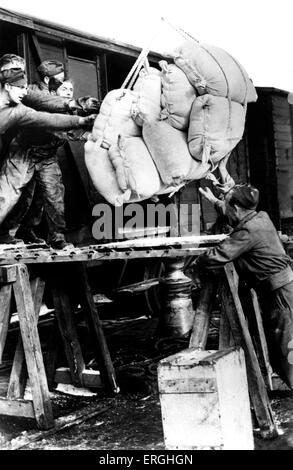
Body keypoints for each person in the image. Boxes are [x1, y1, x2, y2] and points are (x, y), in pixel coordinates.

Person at [189, 183, 293, 389]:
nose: (225, 209)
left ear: (236, 208)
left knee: (286, 348)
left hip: (280, 294)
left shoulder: (247, 231)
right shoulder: (260, 217)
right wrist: (216, 202)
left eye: (227, 206)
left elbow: (219, 255)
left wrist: (195, 264)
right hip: (280, 290)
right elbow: (231, 210)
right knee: (278, 348)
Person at [0, 67, 96, 245]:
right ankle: (5, 232)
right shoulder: (36, 100)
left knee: (53, 196)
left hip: (46, 157)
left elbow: (69, 129)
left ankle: (55, 237)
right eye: (64, 88)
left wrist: (87, 122)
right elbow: (50, 118)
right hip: (24, 151)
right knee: (13, 196)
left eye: (70, 90)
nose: (68, 93)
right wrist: (80, 120)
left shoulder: (24, 109)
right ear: (53, 91)